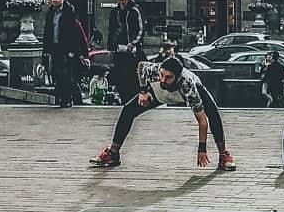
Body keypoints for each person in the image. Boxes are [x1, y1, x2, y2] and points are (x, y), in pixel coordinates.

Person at [90, 55, 236, 171]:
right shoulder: (155, 71)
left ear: (177, 76)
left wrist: (202, 149)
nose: (163, 80)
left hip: (183, 92)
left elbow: (202, 121)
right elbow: (141, 67)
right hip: (158, 94)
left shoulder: (187, 85)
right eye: (161, 75)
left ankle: (223, 155)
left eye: (168, 77)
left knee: (213, 113)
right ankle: (113, 154)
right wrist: (143, 91)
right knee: (128, 110)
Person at [42, 0, 89, 108]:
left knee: (66, 74)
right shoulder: (50, 13)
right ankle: (62, 97)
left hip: (67, 49)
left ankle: (67, 99)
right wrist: (46, 50)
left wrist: (76, 52)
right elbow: (47, 32)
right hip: (54, 47)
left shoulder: (69, 12)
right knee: (56, 73)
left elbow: (74, 33)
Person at [107, 0, 145, 104]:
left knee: (132, 77)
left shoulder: (134, 10)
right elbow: (111, 30)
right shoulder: (115, 11)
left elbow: (141, 29)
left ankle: (132, 100)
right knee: (120, 77)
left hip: (132, 50)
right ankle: (124, 100)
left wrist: (133, 43)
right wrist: (111, 46)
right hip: (119, 49)